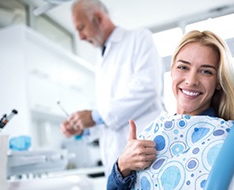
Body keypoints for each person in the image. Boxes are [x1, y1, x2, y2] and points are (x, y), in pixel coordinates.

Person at [106, 30, 234, 190]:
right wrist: (123, 165)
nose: (191, 80)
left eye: (206, 71)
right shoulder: (159, 127)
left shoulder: (219, 137)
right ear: (171, 71)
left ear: (218, 81)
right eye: (183, 67)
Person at [60, 0, 164, 176]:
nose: (80, 37)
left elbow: (147, 88)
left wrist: (93, 116)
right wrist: (83, 126)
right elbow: (109, 116)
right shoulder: (100, 59)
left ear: (99, 18)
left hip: (144, 154)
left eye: (81, 28)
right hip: (117, 162)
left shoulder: (138, 38)